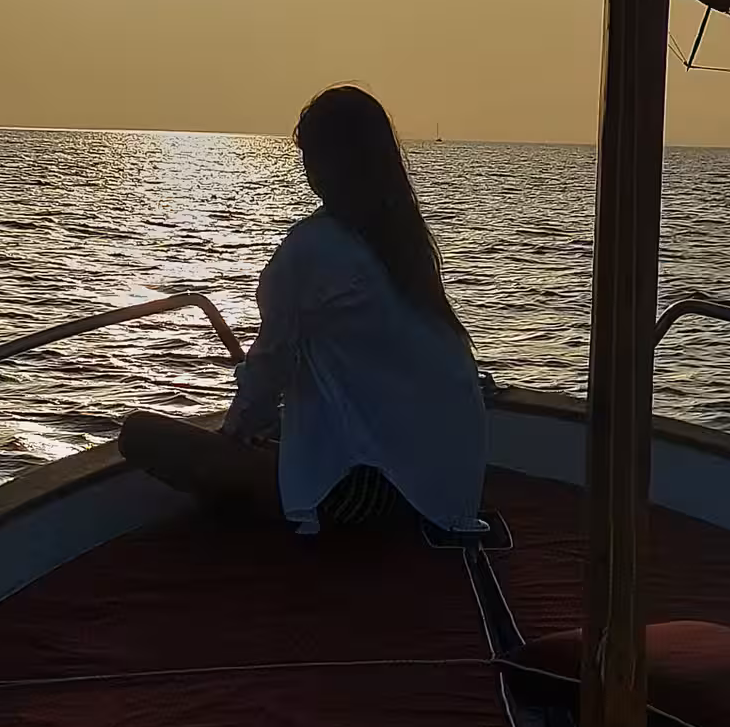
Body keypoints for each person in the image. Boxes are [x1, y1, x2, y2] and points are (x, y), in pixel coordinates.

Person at [118, 86, 487, 533]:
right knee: (277, 438)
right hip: (454, 489)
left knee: (141, 435)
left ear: (324, 162)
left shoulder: (312, 247)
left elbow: (269, 367)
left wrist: (232, 437)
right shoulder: (407, 245)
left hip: (378, 500)